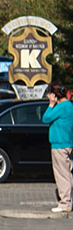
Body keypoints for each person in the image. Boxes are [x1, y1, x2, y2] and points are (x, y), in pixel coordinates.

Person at [42, 84, 73, 213]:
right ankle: (69, 201)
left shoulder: (60, 107)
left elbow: (46, 118)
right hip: (68, 142)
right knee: (68, 173)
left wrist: (50, 104)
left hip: (59, 144)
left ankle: (65, 203)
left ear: (54, 95)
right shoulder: (70, 106)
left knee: (62, 175)